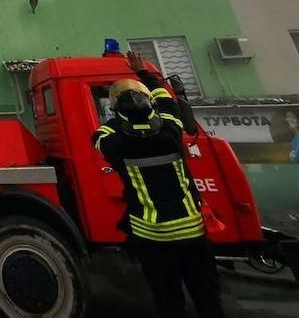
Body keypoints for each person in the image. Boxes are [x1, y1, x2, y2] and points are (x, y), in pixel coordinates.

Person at [92, 50, 223, 318]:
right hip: (192, 234)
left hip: (153, 238)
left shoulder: (116, 144)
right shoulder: (171, 133)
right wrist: (143, 74)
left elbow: (99, 133)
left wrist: (117, 107)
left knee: (168, 302)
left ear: (118, 115)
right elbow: (167, 101)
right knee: (208, 300)